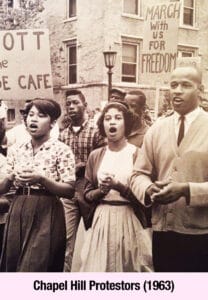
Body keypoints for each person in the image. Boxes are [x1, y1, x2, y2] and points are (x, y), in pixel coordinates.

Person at [130, 65, 208, 272]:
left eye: (185, 85)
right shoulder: (157, 129)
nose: (177, 90)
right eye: (173, 85)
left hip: (202, 234)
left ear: (200, 90)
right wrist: (148, 189)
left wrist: (187, 190)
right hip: (163, 231)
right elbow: (138, 174)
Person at [0, 98, 75, 272]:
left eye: (41, 116)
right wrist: (10, 177)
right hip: (18, 208)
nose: (33, 119)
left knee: (36, 265)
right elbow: (2, 188)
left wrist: (42, 179)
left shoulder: (61, 150)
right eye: (31, 115)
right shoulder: (16, 149)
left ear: (53, 122)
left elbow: (69, 190)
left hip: (46, 210)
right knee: (13, 263)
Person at [80, 101, 152, 272]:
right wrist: (101, 191)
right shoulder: (95, 155)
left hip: (129, 218)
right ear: (102, 124)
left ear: (126, 124)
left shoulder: (137, 154)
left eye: (118, 118)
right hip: (102, 219)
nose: (112, 122)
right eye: (107, 118)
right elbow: (87, 194)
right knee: (98, 268)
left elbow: (145, 197)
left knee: (130, 269)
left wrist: (119, 186)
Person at [59, 89, 105, 272]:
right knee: (65, 240)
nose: (71, 107)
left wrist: (83, 165)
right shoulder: (63, 134)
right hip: (69, 190)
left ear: (85, 105)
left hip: (91, 190)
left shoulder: (96, 130)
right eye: (68, 104)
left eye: (75, 103)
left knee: (96, 238)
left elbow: (103, 158)